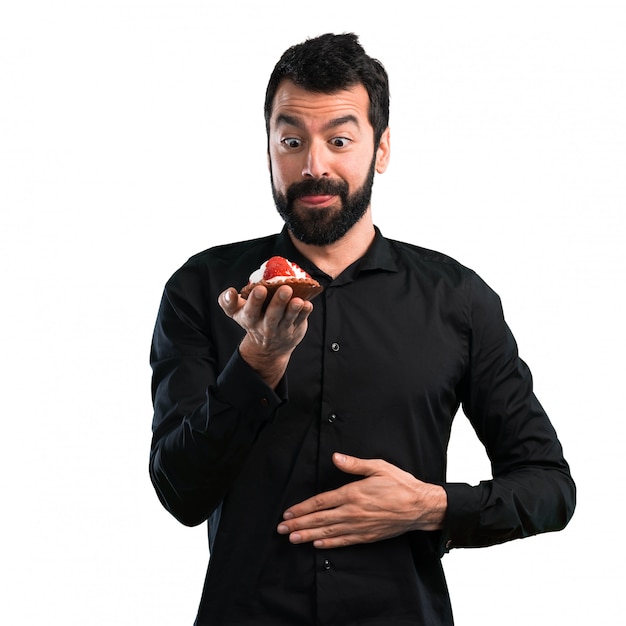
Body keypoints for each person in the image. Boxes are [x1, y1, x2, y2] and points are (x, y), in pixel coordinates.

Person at [149, 33, 575, 625]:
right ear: (269, 148)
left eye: (340, 140)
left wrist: (429, 506)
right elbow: (179, 492)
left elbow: (550, 488)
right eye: (291, 140)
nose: (313, 165)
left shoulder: (458, 299)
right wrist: (257, 363)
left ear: (382, 148)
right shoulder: (203, 289)